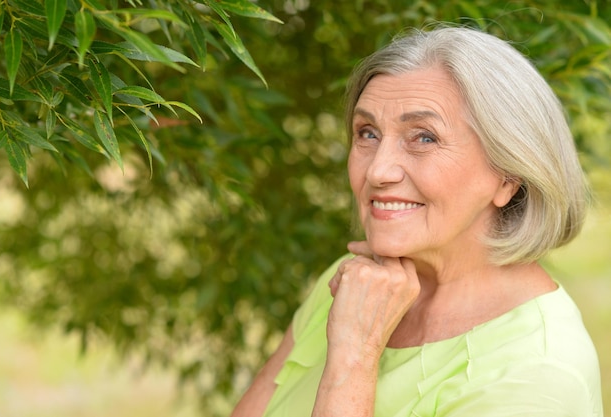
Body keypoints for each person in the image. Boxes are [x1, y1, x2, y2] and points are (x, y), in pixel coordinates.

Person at [231, 26, 603, 417]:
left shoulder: (539, 375)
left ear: (507, 175)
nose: (378, 170)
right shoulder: (355, 283)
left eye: (423, 137)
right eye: (367, 133)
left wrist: (355, 357)